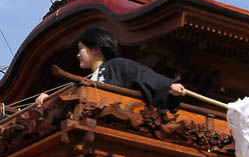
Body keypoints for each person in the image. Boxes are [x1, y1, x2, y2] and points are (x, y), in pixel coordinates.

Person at [36, 27, 185, 111]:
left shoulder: (117, 65)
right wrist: (48, 99)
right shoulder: (89, 80)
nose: (78, 54)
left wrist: (167, 86)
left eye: (81, 48)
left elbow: (142, 74)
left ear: (95, 48)